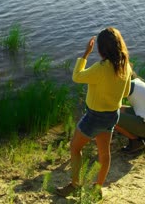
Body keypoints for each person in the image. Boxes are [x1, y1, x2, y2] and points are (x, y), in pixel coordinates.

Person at [56, 27, 132, 199]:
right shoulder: (124, 65)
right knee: (104, 154)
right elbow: (126, 92)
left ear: (101, 49)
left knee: (75, 148)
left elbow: (77, 77)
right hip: (112, 116)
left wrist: (85, 54)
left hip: (94, 117)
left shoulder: (101, 67)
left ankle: (75, 185)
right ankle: (97, 188)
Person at [115, 72, 145, 153]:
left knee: (109, 116)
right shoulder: (139, 83)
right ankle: (144, 139)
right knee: (121, 109)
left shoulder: (129, 85)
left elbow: (112, 102)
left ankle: (136, 141)